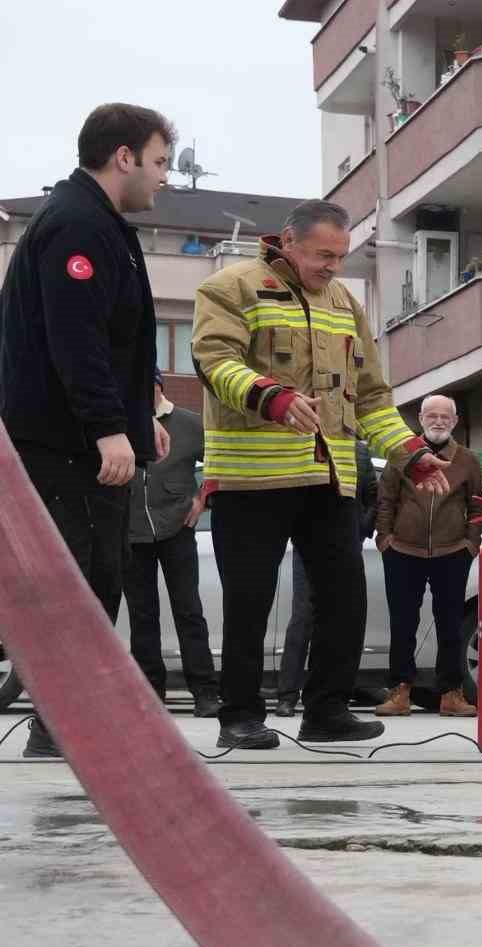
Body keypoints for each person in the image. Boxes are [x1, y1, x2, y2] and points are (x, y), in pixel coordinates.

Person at [192, 198, 450, 750]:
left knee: (345, 597)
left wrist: (410, 452)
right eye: (322, 255)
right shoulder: (230, 288)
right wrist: (273, 398)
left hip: (329, 479)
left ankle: (327, 711)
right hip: (251, 480)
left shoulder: (344, 303)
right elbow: (214, 363)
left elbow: (373, 397)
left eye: (341, 256)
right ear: (287, 241)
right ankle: (239, 716)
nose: (333, 267)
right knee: (249, 601)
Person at [0, 103, 174, 759]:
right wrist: (107, 429)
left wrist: (144, 407)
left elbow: (115, 331)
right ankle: (59, 730)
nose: (164, 178)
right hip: (67, 447)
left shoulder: (101, 224)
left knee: (93, 581)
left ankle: (64, 726)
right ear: (123, 156)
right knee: (78, 587)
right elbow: (75, 339)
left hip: (80, 441)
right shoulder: (77, 225)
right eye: (159, 162)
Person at [373, 395, 482, 718]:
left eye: (444, 416)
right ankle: (400, 692)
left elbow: (477, 505)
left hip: (452, 552)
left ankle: (451, 693)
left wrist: (470, 544)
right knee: (403, 622)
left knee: (450, 624)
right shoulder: (402, 456)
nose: (438, 421)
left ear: (455, 420)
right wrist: (385, 539)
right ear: (420, 418)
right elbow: (385, 500)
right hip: (403, 550)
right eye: (431, 415)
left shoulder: (467, 461)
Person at [125, 371, 219, 716]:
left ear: (158, 387)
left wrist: (202, 498)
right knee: (142, 616)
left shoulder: (189, 424)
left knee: (189, 611)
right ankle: (151, 693)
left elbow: (219, 460)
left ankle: (205, 692)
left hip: (177, 529)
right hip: (132, 532)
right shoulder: (122, 422)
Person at [274, 440, 377, 716]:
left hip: (346, 544)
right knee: (302, 619)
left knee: (341, 618)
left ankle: (332, 697)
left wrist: (360, 531)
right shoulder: (303, 442)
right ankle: (287, 694)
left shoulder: (359, 450)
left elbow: (372, 496)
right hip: (307, 543)